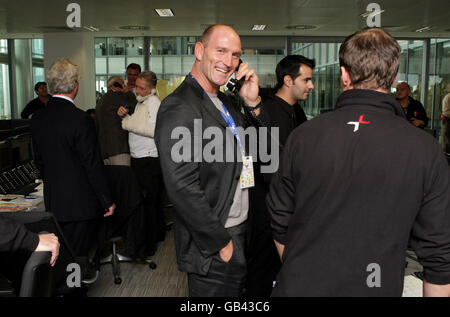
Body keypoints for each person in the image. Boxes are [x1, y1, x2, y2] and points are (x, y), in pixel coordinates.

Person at [267, 28, 450, 296]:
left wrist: (306, 271)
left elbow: (280, 218)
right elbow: (439, 254)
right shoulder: (424, 148)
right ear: (393, 76)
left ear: (344, 74)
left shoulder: (303, 137)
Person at [155, 24, 263, 297]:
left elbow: (265, 149)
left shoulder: (225, 101)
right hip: (215, 243)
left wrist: (252, 103)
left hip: (239, 230)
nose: (228, 62)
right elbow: (181, 186)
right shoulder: (180, 106)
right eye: (221, 51)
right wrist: (220, 244)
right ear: (200, 51)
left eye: (236, 55)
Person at [30, 59, 115, 260]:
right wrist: (106, 199)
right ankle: (73, 289)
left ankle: (65, 286)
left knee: (60, 252)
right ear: (75, 86)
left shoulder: (37, 119)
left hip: (54, 201)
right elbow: (92, 164)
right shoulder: (81, 119)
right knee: (77, 255)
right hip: (80, 204)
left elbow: (38, 159)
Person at [245, 54, 315, 297]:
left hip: (285, 206)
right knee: (262, 270)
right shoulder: (268, 113)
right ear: (288, 80)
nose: (311, 86)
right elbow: (269, 170)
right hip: (267, 208)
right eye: (306, 80)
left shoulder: (297, 112)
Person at [117, 70, 165, 256]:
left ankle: (148, 246)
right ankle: (155, 237)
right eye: (136, 86)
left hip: (148, 159)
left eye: (142, 88)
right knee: (151, 202)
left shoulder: (153, 102)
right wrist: (125, 116)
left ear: (152, 88)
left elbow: (154, 130)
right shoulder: (142, 101)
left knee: (147, 204)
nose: (138, 90)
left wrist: (127, 122)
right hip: (141, 157)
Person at [96, 76, 131, 166]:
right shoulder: (119, 96)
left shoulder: (101, 101)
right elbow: (135, 107)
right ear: (117, 85)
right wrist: (128, 92)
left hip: (104, 150)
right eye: (123, 83)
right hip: (119, 149)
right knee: (123, 178)